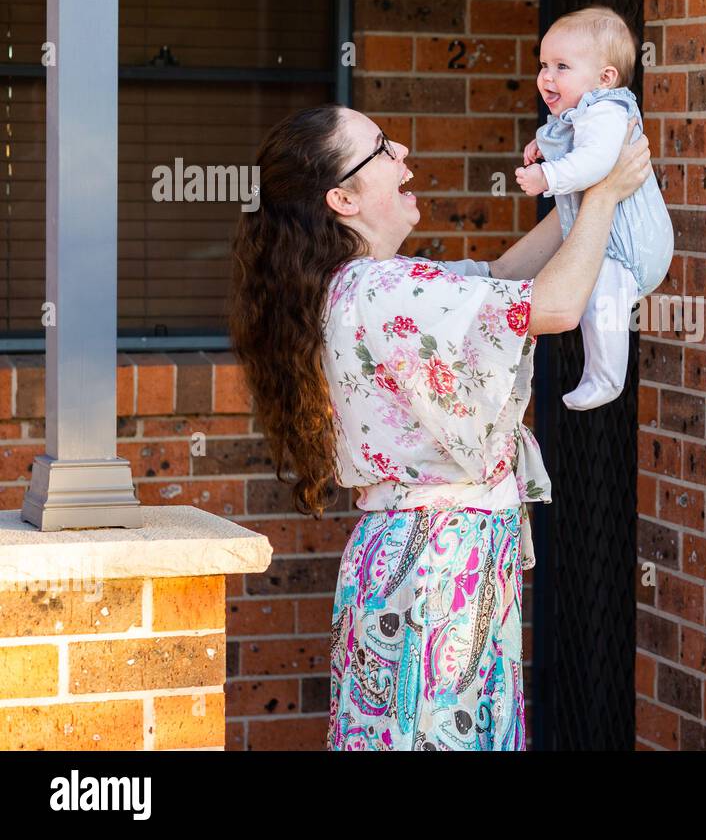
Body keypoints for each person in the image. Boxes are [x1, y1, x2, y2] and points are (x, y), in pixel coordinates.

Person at [228, 102, 651, 750]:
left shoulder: (362, 285)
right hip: (436, 569)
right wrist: (606, 197)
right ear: (342, 197)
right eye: (379, 150)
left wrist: (584, 189)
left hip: (422, 558)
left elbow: (502, 281)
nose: (401, 153)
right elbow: (557, 305)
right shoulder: (380, 289)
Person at [515, 5, 674, 410]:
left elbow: (597, 163)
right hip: (613, 239)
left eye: (562, 66)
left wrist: (548, 178)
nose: (547, 76)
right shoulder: (578, 114)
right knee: (588, 289)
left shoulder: (606, 112)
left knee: (601, 294)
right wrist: (544, 146)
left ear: (605, 78)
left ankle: (605, 378)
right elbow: (572, 142)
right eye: (544, 64)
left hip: (631, 247)